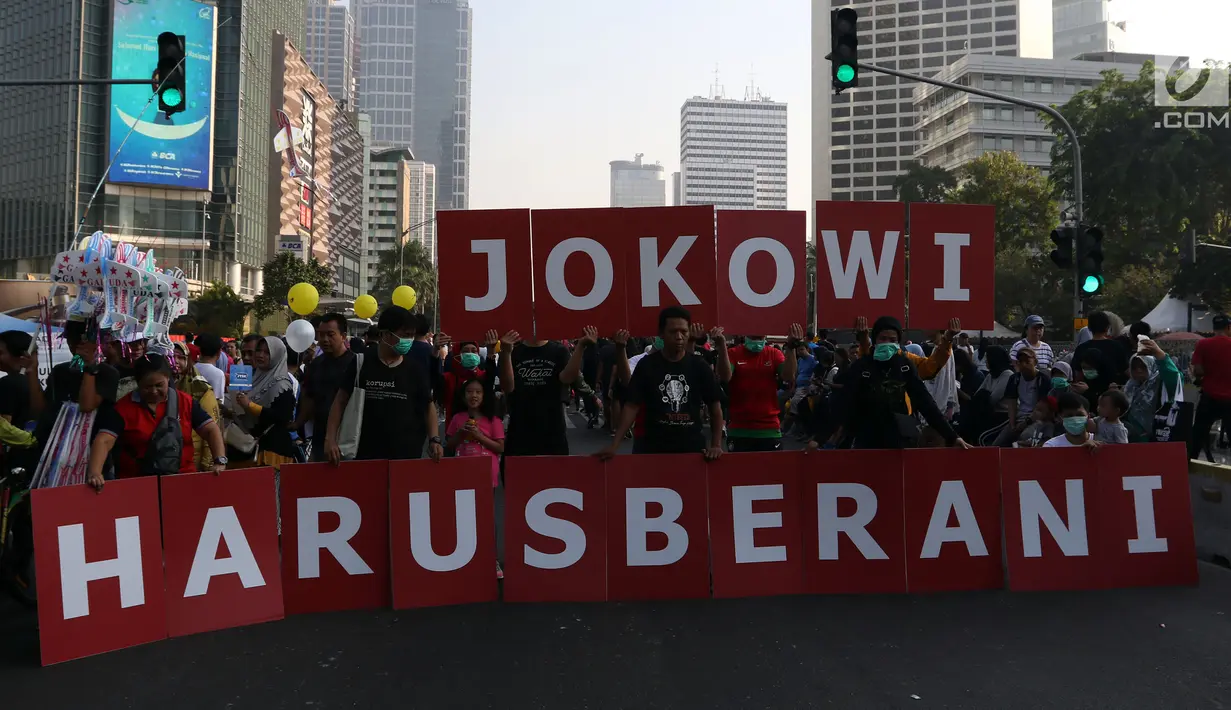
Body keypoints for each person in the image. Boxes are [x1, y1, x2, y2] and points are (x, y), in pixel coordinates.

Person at [817, 316, 971, 450]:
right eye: (882, 339)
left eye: (892, 340)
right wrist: (819, 439)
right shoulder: (863, 365)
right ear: (875, 339)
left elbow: (926, 401)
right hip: (865, 437)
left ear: (899, 341)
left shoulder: (905, 364)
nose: (887, 344)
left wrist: (952, 436)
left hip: (898, 436)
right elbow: (843, 403)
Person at [600, 307, 724, 459]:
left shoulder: (699, 366)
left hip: (691, 449)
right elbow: (632, 406)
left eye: (684, 332)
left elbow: (714, 406)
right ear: (661, 334)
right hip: (651, 448)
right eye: (673, 332)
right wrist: (615, 444)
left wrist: (716, 445)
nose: (679, 337)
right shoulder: (646, 365)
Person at [88, 353, 227, 488]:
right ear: (137, 383)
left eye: (159, 385)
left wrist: (219, 460)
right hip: (137, 486)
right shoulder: (123, 409)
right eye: (147, 387)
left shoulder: (186, 402)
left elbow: (210, 430)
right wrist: (95, 473)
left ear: (168, 378)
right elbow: (103, 441)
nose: (154, 391)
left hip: (183, 481)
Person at [325, 306, 442, 464]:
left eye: (412, 336)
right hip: (365, 456)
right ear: (385, 334)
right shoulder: (361, 362)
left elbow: (428, 406)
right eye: (404, 335)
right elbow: (340, 401)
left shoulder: (415, 369)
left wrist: (434, 439)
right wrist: (330, 439)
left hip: (406, 456)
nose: (408, 341)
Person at [498, 324, 591, 457]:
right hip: (520, 428)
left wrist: (581, 347)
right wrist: (506, 352)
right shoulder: (513, 351)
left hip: (553, 428)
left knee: (554, 475)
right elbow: (508, 387)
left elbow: (567, 378)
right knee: (517, 475)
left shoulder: (559, 351)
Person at [714, 323, 803, 452]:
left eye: (760, 337)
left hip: (769, 429)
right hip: (739, 429)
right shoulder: (733, 353)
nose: (757, 340)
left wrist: (791, 346)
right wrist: (722, 347)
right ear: (745, 334)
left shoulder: (774, 353)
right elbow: (725, 377)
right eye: (754, 336)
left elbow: (788, 376)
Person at [229, 336, 299, 467]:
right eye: (259, 351)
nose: (260, 355)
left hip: (272, 451)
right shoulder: (256, 378)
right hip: (248, 447)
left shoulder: (282, 384)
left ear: (277, 355)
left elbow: (283, 417)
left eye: (267, 353)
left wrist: (250, 406)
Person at [296, 313, 356, 461]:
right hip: (319, 436)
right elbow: (309, 397)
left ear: (343, 336)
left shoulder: (355, 363)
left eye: (330, 334)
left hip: (347, 438)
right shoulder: (316, 364)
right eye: (320, 335)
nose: (324, 340)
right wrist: (298, 423)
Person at [172, 341, 223, 471]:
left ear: (188, 361)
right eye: (172, 357)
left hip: (194, 459)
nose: (176, 361)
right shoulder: (161, 387)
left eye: (181, 358)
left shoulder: (201, 388)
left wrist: (209, 464)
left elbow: (212, 428)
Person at [446, 377, 505, 487]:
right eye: (469, 392)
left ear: (484, 396)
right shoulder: (457, 418)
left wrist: (479, 436)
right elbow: (449, 444)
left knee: (485, 503)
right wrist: (460, 434)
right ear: (463, 397)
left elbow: (501, 447)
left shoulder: (493, 420)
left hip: (487, 470)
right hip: (462, 469)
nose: (474, 395)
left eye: (478, 392)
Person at [1122, 339, 1183, 443]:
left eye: (1143, 366)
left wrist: (1159, 354)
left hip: (1156, 436)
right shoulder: (1130, 386)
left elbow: (1174, 378)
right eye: (1135, 368)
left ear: (1151, 365)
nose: (1139, 370)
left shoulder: (1159, 381)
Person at [1191, 314, 1231, 460]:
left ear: (1213, 328)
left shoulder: (1203, 344)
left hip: (1209, 397)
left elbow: (1198, 371)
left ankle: (1190, 465)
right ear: (1228, 327)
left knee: (1198, 434)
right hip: (1229, 400)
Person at [993, 348, 1052, 446]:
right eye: (1020, 362)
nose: (1024, 365)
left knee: (1024, 437)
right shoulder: (1014, 378)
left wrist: (1026, 422)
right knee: (998, 443)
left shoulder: (1043, 379)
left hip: (1037, 419)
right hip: (1019, 418)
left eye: (1027, 361)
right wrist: (1012, 425)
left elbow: (1042, 408)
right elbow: (1012, 403)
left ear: (1035, 362)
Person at [441, 334, 498, 421]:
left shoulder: (483, 376)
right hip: (454, 429)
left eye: (474, 351)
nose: (470, 354)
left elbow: (490, 377)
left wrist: (490, 353)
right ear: (458, 354)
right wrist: (435, 352)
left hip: (482, 429)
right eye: (466, 351)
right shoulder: (448, 378)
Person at [1071, 311, 1130, 388]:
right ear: (1107, 327)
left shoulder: (1081, 348)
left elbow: (1078, 375)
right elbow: (1126, 371)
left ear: (1089, 327)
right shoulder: (1116, 346)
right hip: (1111, 393)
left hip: (1087, 392)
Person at [0, 330, 34, 429]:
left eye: (0, 353)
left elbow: (4, 428)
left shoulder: (8, 383)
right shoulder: (33, 385)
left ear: (21, 355)